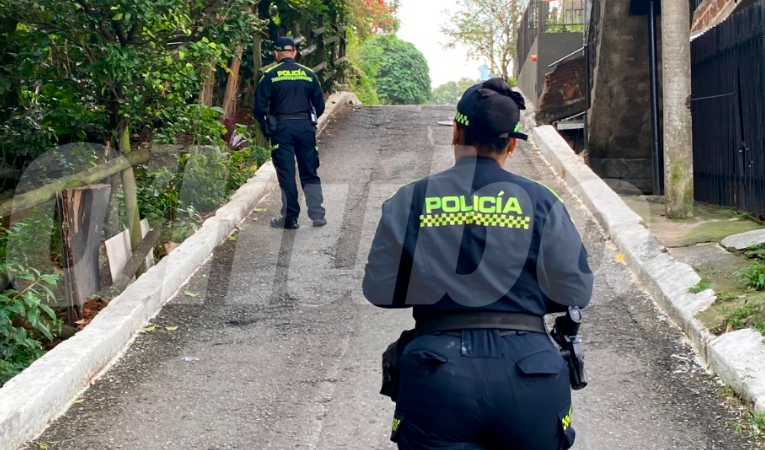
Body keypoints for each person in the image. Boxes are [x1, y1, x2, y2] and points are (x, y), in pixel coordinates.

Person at [361, 78, 594, 450]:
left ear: (456, 131)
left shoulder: (411, 199)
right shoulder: (542, 201)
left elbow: (379, 290)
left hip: (438, 374)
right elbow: (575, 290)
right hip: (531, 372)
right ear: (513, 144)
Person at [254, 36, 327, 229]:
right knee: (309, 171)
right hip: (305, 128)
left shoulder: (269, 75)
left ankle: (290, 218)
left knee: (286, 173)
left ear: (276, 53)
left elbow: (259, 108)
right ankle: (317, 214)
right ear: (294, 52)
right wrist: (307, 122)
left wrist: (267, 126)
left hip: (281, 128)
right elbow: (320, 105)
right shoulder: (309, 74)